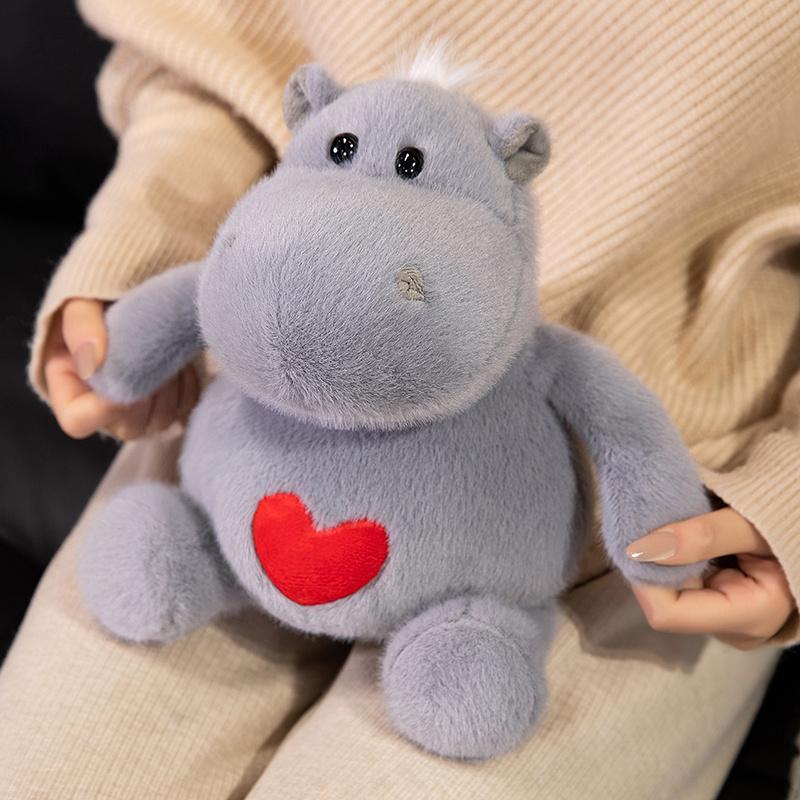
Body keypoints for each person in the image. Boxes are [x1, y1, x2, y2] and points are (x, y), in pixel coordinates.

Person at [2, 2, 799, 798]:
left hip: (644, 511)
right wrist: (142, 270)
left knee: (459, 721)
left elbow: (627, 428)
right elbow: (202, 57)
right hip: (248, 419)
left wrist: (789, 490)